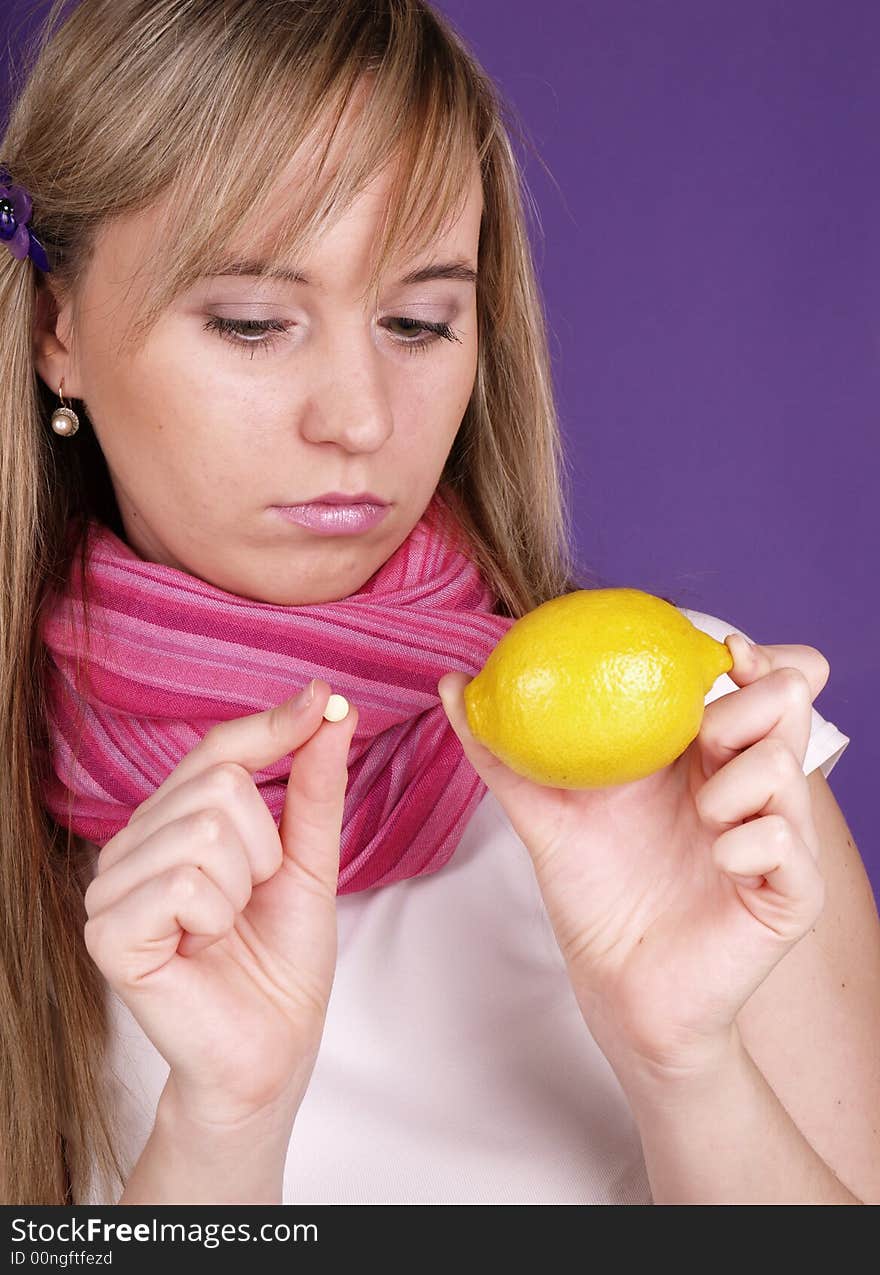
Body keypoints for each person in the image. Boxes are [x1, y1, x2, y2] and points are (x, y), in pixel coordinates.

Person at [0, 0, 876, 1208]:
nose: (357, 419)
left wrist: (688, 1067)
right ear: (58, 331)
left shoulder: (692, 735)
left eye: (419, 321)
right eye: (254, 324)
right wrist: (222, 1133)